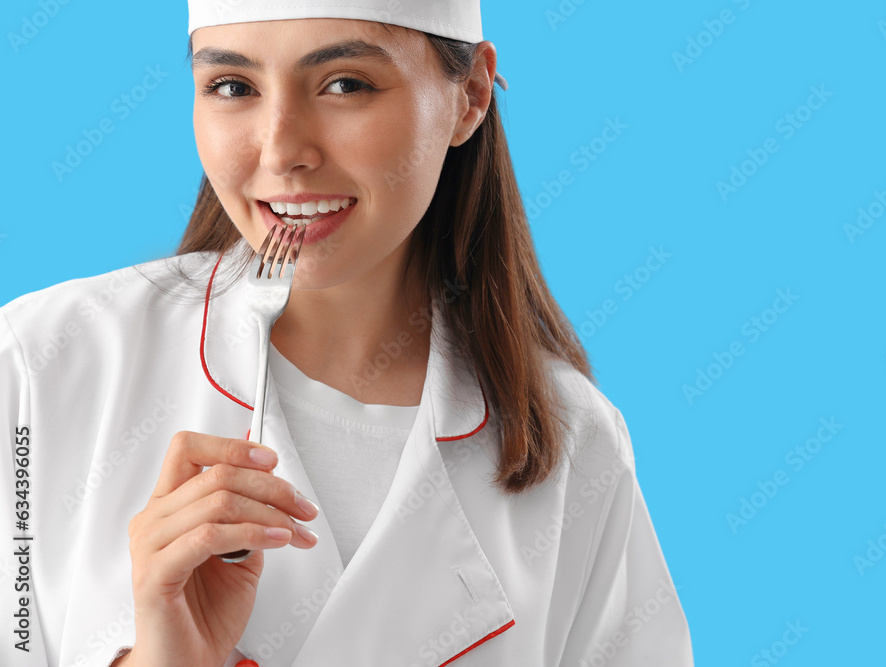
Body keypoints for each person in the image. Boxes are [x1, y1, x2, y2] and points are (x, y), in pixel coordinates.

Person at [0, 1, 693, 665]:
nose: (282, 150)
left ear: (471, 95)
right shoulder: (39, 364)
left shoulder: (575, 446)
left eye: (345, 84)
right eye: (232, 85)